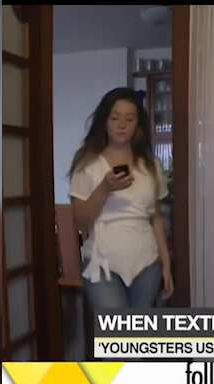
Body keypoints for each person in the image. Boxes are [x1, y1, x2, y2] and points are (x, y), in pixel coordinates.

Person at [68, 87, 173, 309]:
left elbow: (155, 218)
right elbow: (81, 223)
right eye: (115, 118)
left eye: (129, 119)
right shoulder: (87, 163)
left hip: (147, 262)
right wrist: (104, 188)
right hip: (103, 262)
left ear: (138, 125)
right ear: (104, 122)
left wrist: (166, 264)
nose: (122, 125)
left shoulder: (151, 165)